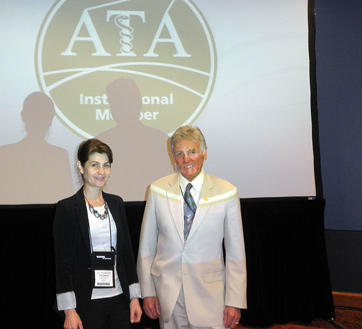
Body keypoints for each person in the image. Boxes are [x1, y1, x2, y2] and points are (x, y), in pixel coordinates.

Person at [137, 125, 247, 329]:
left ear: (204, 153)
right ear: (173, 157)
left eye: (192, 152)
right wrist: (148, 292)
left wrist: (234, 301)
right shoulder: (157, 190)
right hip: (168, 297)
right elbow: (146, 249)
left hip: (211, 298)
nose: (186, 159)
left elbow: (235, 253)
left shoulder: (226, 192)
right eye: (179, 153)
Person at [53, 139, 142, 329]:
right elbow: (62, 263)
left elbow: (126, 254)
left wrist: (134, 297)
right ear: (81, 167)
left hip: (119, 299)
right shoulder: (67, 208)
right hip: (85, 302)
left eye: (106, 166)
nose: (101, 172)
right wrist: (69, 310)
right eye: (95, 165)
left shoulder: (116, 203)